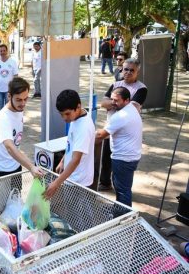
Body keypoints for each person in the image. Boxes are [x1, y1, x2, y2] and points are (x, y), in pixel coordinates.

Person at [99, 58, 147, 191]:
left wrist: (112, 104)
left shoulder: (141, 88)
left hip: (126, 132)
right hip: (111, 127)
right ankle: (105, 182)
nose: (128, 72)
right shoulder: (116, 84)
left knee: (121, 162)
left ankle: (121, 190)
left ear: (137, 72)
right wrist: (119, 103)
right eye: (126, 69)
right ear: (121, 69)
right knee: (106, 158)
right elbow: (103, 103)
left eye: (132, 70)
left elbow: (133, 108)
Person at [0, 77, 43, 179]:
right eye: (18, 100)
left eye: (25, 99)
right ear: (9, 96)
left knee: (16, 195)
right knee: (2, 196)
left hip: (15, 164)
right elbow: (9, 147)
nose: (23, 103)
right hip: (0, 169)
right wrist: (31, 167)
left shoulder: (19, 109)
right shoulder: (3, 118)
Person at [44, 90, 95, 199]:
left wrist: (56, 183)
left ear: (78, 106)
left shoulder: (83, 127)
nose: (64, 118)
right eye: (61, 114)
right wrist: (63, 161)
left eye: (67, 114)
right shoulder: (77, 117)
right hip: (71, 177)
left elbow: (76, 159)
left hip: (79, 182)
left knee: (79, 215)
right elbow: (71, 144)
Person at [96, 87, 143, 207]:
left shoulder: (121, 116)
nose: (112, 103)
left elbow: (101, 135)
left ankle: (122, 215)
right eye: (111, 99)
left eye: (116, 100)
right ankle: (121, 211)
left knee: (122, 190)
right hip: (131, 157)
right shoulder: (132, 108)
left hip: (123, 159)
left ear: (127, 100)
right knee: (124, 188)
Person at [0, 44, 19, 111]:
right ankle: (1, 121)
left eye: (4, 51)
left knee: (8, 108)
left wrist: (15, 87)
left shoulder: (13, 62)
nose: (2, 52)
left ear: (7, 51)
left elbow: (16, 76)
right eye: (1, 51)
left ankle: (8, 121)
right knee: (0, 108)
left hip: (9, 90)